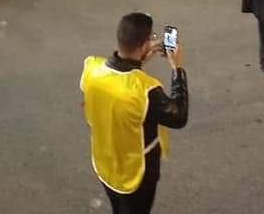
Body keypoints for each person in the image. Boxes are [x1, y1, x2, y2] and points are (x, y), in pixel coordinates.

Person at [80, 12, 189, 214]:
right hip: (135, 173)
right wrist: (177, 67)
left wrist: (141, 57)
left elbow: (119, 73)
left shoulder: (92, 68)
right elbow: (179, 116)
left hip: (104, 163)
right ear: (144, 44)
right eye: (151, 38)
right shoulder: (146, 91)